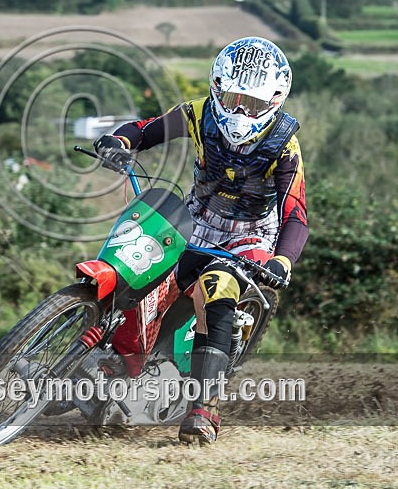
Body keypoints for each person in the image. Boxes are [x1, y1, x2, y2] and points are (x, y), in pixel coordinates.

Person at [93, 36, 308, 445]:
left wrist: (283, 261)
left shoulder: (285, 145)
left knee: (217, 287)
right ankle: (117, 358)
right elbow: (145, 130)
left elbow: (295, 212)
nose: (241, 111)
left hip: (250, 237)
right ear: (216, 88)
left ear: (275, 104)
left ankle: (204, 407)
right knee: (139, 262)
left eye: (255, 104)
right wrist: (119, 142)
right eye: (232, 97)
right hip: (195, 218)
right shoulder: (197, 114)